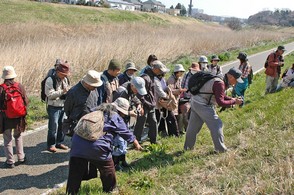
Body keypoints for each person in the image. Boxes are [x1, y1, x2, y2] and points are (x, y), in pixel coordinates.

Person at [66, 98, 142, 194]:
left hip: (77, 144)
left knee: (75, 173)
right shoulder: (115, 116)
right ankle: (110, 190)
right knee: (108, 169)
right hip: (97, 147)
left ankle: (71, 192)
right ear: (119, 111)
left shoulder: (94, 111)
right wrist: (137, 144)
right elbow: (126, 133)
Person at [184, 67, 243, 152]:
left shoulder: (219, 79)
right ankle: (220, 149)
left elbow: (220, 95)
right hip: (202, 105)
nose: (236, 82)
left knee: (193, 128)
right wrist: (234, 102)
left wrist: (232, 99)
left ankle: (188, 148)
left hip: (195, 101)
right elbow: (220, 102)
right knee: (217, 124)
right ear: (231, 77)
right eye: (236, 80)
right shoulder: (220, 83)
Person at [112, 77, 147, 170]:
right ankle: (115, 164)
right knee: (118, 143)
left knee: (124, 142)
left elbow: (134, 98)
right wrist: (129, 113)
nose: (137, 92)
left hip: (125, 120)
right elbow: (114, 110)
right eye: (137, 89)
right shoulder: (121, 93)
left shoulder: (131, 90)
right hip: (118, 121)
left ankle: (122, 161)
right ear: (132, 85)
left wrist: (139, 105)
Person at [0, 66, 29, 168]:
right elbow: (26, 101)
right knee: (18, 136)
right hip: (18, 117)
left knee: (7, 139)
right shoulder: (19, 86)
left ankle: (10, 161)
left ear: (4, 77)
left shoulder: (1, 88)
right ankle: (21, 157)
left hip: (6, 117)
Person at [133, 60, 168, 144]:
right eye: (160, 70)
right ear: (155, 69)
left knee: (153, 122)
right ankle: (136, 141)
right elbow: (140, 93)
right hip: (144, 104)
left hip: (150, 104)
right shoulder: (145, 77)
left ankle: (154, 140)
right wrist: (145, 103)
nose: (161, 72)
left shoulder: (152, 76)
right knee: (140, 123)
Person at [64, 70, 102, 136]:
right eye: (94, 86)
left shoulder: (94, 90)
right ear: (87, 83)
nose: (95, 88)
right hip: (78, 125)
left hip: (92, 123)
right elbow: (67, 109)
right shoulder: (73, 92)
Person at [45, 62, 71, 153]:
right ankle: (51, 145)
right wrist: (63, 91)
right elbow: (50, 95)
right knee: (53, 127)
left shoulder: (65, 79)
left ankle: (59, 142)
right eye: (63, 74)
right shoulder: (50, 80)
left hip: (63, 106)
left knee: (62, 126)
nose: (65, 76)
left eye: (66, 74)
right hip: (53, 107)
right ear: (58, 72)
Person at [179, 62, 201, 133]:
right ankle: (187, 129)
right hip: (186, 98)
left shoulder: (199, 76)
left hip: (195, 98)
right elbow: (182, 84)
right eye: (193, 70)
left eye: (196, 70)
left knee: (193, 115)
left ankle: (192, 129)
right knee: (185, 114)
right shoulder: (186, 75)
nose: (194, 71)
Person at [167, 64, 186, 134]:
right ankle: (174, 132)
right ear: (177, 72)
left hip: (177, 100)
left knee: (179, 115)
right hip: (171, 101)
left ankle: (179, 130)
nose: (182, 73)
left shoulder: (179, 78)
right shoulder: (171, 79)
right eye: (181, 71)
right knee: (173, 117)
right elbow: (170, 91)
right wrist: (179, 91)